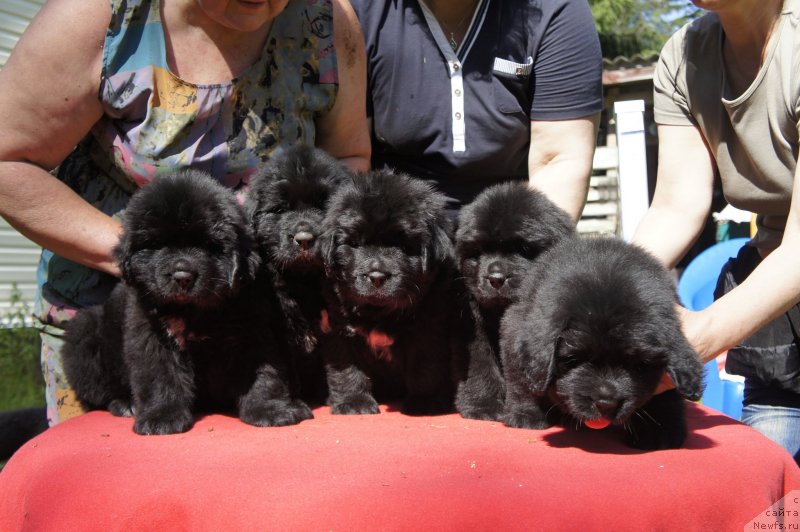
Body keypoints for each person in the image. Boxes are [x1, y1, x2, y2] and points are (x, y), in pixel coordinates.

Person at [0, 0, 370, 426]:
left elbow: (347, 158)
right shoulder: (98, 14)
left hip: (266, 327)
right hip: (124, 321)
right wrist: (145, 259)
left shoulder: (327, 19)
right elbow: (8, 162)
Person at [634, 0, 800, 463]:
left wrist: (701, 335)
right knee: (765, 486)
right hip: (777, 315)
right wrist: (610, 296)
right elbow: (675, 206)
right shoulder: (684, 56)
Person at [349, 0, 603, 220]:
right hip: (392, 234)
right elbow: (351, 157)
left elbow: (558, 160)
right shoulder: (356, 12)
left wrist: (516, 249)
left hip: (509, 233)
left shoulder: (555, 10)